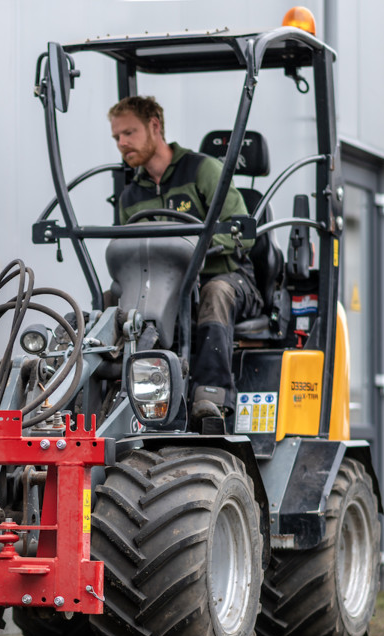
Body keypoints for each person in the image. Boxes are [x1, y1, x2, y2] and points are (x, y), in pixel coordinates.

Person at [108, 95, 263, 427]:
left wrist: (195, 251)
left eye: (129, 133)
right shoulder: (130, 197)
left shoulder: (203, 170)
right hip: (164, 290)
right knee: (111, 303)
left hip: (227, 277)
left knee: (215, 293)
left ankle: (211, 397)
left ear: (154, 126)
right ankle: (108, 397)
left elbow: (242, 232)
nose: (122, 143)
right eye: (117, 137)